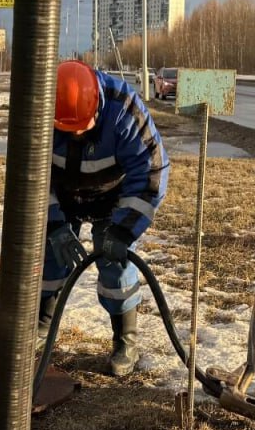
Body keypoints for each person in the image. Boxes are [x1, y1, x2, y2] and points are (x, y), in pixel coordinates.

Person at [40, 60, 169, 377]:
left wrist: (124, 230)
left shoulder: (124, 109)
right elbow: (30, 176)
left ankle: (125, 340)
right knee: (47, 259)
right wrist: (55, 223)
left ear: (96, 103)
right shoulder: (37, 106)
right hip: (61, 193)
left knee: (116, 266)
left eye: (83, 127)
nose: (77, 134)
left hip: (112, 196)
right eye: (67, 130)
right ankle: (40, 330)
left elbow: (151, 172)